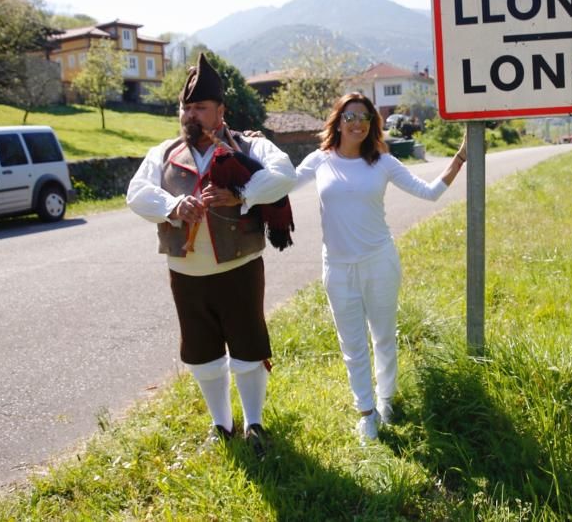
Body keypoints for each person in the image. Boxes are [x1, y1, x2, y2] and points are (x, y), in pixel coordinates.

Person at [126, 53, 296, 458]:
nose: (191, 114)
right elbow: (136, 193)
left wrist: (242, 194)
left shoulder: (250, 144)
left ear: (220, 111)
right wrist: (172, 205)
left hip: (239, 269)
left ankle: (254, 423)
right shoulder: (163, 153)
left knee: (248, 345)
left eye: (200, 107)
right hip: (185, 274)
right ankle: (222, 424)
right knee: (201, 352)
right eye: (186, 107)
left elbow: (285, 173)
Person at [295, 93, 467, 442]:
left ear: (372, 124)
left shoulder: (383, 162)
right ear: (338, 121)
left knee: (384, 336)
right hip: (338, 268)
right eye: (350, 116)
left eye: (364, 117)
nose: (357, 122)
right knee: (352, 343)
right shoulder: (319, 160)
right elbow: (281, 184)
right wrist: (251, 156)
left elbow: (430, 192)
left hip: (379, 262)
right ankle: (366, 412)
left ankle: (385, 401)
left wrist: (461, 157)